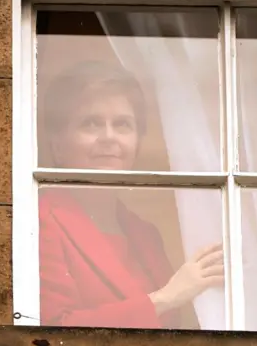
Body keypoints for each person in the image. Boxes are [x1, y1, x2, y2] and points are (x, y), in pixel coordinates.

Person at [38, 61, 224, 329]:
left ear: (137, 143)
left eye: (123, 124)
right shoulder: (42, 220)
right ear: (57, 146)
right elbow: (52, 329)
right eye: (91, 123)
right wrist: (165, 298)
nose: (109, 137)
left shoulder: (145, 234)